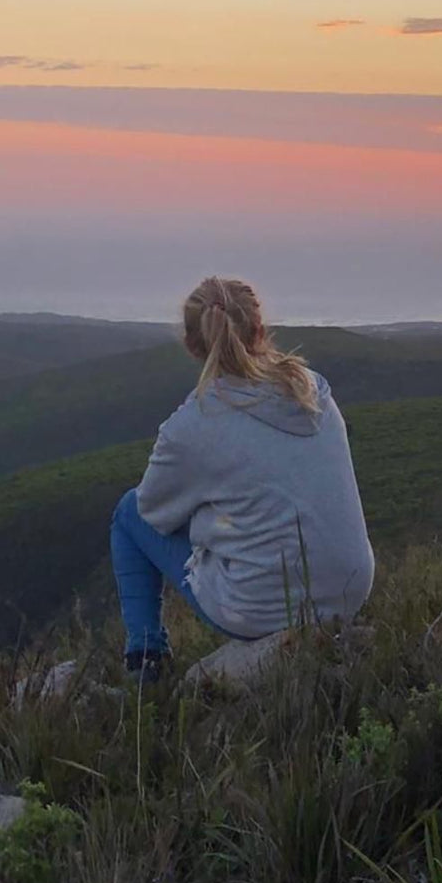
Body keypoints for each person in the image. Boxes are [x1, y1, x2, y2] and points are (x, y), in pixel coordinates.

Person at [109, 276, 375, 682]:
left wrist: (205, 521)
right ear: (261, 331)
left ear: (192, 346)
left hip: (260, 608)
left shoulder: (192, 426)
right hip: (351, 589)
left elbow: (153, 512)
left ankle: (145, 663)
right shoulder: (313, 391)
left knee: (127, 514)